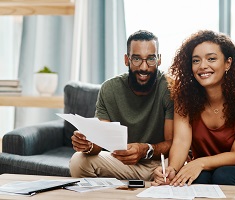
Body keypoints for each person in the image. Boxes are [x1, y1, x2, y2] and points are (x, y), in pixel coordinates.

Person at [152, 30, 235, 198]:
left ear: (227, 63)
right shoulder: (184, 100)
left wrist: (200, 162)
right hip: (203, 168)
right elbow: (181, 142)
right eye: (196, 61)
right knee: (194, 179)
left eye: (211, 59)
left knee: (223, 175)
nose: (202, 66)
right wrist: (171, 170)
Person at [69, 30, 174, 181]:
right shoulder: (110, 89)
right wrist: (88, 144)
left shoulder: (170, 88)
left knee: (180, 164)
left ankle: (139, 187)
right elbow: (100, 141)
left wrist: (145, 150)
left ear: (159, 60)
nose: (144, 67)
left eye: (150, 59)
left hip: (160, 164)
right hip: (123, 163)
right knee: (78, 161)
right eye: (137, 59)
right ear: (127, 59)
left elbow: (173, 143)